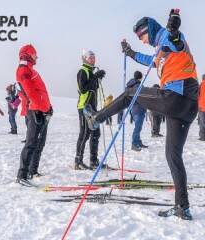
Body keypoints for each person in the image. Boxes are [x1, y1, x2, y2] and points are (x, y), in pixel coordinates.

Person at [83, 10, 198, 220]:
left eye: (141, 36)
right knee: (173, 156)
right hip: (187, 107)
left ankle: (96, 118)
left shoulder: (165, 36)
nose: (142, 40)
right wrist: (131, 53)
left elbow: (177, 43)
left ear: (149, 30)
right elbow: (150, 60)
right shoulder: (159, 51)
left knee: (130, 93)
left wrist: (173, 30)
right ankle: (183, 206)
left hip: (177, 94)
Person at [16, 44, 53, 184]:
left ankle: (32, 170)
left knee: (40, 142)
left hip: (41, 110)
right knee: (31, 142)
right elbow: (31, 93)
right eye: (34, 54)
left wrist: (49, 107)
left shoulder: (30, 70)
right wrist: (44, 108)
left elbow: (40, 93)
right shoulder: (23, 70)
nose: (36, 57)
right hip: (35, 111)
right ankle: (22, 176)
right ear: (27, 54)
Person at [74, 50, 106, 170]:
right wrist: (95, 77)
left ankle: (94, 161)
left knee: (95, 133)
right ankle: (78, 161)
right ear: (85, 59)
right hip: (84, 107)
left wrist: (98, 78)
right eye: (90, 58)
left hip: (92, 107)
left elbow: (93, 87)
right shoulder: (82, 71)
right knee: (85, 133)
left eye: (94, 57)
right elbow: (83, 89)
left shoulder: (90, 72)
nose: (93, 60)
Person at [127, 71, 148, 151]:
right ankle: (134, 143)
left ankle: (138, 141)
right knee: (137, 127)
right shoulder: (138, 85)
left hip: (134, 108)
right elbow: (142, 97)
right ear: (140, 77)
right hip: (139, 108)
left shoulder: (131, 85)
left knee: (138, 127)